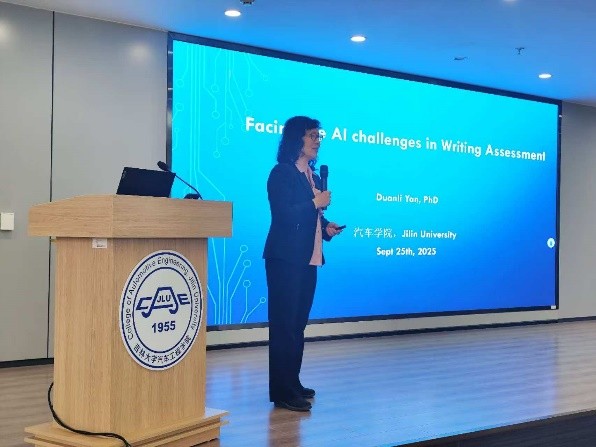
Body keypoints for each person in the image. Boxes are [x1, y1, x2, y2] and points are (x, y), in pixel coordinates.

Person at [263, 116, 344, 412]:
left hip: (308, 259)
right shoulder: (281, 173)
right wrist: (315, 203)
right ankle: (282, 392)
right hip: (285, 259)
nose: (317, 141)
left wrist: (325, 228)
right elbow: (284, 215)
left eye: (318, 136)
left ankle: (293, 383)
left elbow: (310, 218)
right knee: (284, 326)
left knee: (297, 326)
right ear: (296, 139)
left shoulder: (312, 176)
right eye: (312, 135)